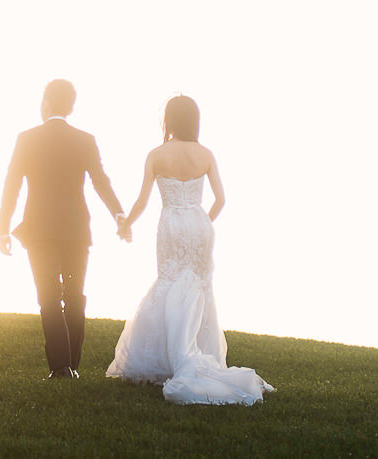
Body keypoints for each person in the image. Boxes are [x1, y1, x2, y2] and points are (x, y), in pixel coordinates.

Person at [106, 95, 273, 405]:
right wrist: (201, 223)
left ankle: (167, 359)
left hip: (170, 223)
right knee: (198, 289)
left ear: (168, 120)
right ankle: (198, 352)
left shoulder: (156, 155)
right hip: (199, 224)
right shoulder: (206, 154)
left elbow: (142, 200)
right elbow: (220, 199)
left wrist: (125, 223)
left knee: (169, 283)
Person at [0, 79, 125, 380]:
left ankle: (60, 367)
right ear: (70, 106)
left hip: (39, 230)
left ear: (46, 102)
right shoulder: (85, 139)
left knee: (49, 297)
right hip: (76, 230)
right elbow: (100, 182)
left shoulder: (26, 138)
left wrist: (3, 228)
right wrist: (119, 214)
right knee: (75, 295)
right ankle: (73, 365)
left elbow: (11, 185)